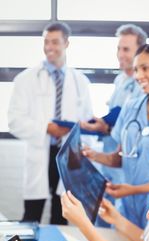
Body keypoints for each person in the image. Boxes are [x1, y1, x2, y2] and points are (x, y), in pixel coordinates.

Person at [83, 41, 149, 229]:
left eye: (145, 68)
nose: (138, 75)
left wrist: (132, 190)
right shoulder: (131, 107)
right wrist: (92, 155)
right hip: (126, 204)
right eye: (135, 70)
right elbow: (120, 157)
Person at [8, 22, 93, 224]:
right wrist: (46, 127)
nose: (49, 47)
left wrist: (75, 133)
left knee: (61, 217)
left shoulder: (80, 81)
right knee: (31, 217)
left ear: (67, 43)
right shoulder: (26, 79)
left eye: (55, 42)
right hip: (40, 152)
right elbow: (14, 120)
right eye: (46, 42)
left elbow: (88, 122)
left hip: (65, 155)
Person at [80, 24, 147, 226]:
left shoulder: (142, 85)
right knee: (102, 221)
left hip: (125, 171)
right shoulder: (120, 80)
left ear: (140, 52)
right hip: (109, 165)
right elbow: (115, 120)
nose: (120, 54)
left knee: (122, 226)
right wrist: (102, 124)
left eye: (126, 49)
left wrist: (105, 127)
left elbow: (133, 129)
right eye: (119, 48)